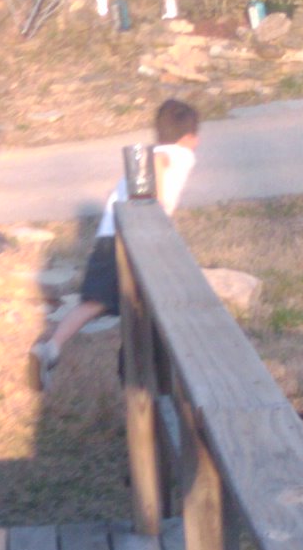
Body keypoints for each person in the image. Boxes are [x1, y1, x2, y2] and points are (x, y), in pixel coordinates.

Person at [29, 97, 199, 391]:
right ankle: (134, 369)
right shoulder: (178, 153)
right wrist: (157, 205)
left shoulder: (155, 152)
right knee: (149, 302)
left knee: (95, 302)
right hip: (135, 238)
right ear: (190, 137)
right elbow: (158, 162)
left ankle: (51, 348)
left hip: (108, 236)